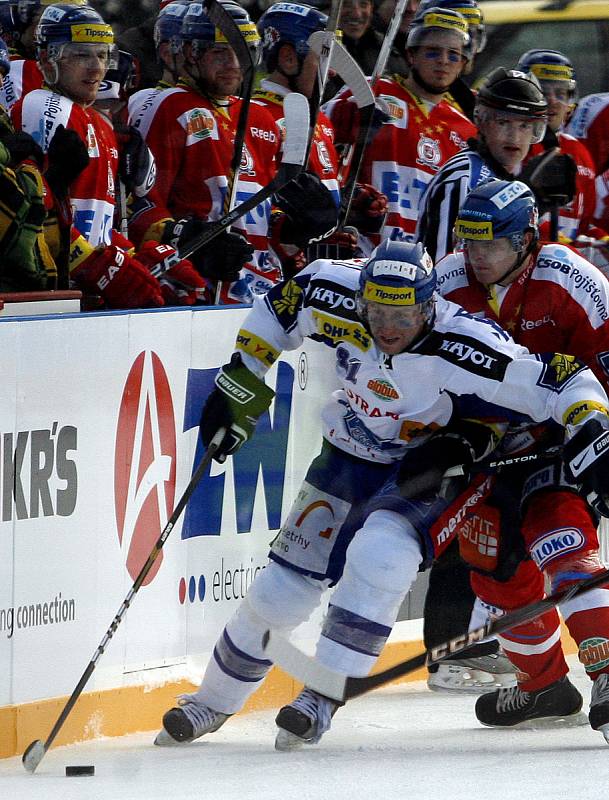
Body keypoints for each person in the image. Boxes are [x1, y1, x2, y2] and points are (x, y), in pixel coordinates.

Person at [153, 238, 609, 750]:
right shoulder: (330, 288)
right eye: (376, 311)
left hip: (433, 466)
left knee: (381, 558)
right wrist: (241, 376)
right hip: (349, 452)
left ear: (429, 304)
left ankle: (320, 698)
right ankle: (211, 702)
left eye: (405, 314)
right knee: (279, 591)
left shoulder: (464, 341)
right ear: (361, 297)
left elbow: (567, 380)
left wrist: (596, 434)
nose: (388, 327)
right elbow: (279, 307)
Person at [433, 178, 609, 731]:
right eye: (469, 241)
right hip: (486, 452)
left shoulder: (571, 279)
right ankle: (544, 686)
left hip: (562, 440)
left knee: (561, 538)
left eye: (491, 244)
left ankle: (606, 670)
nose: (476, 256)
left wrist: (597, 441)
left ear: (527, 238)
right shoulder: (447, 281)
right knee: (493, 568)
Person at [11, 2, 205, 308]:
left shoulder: (101, 125)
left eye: (102, 55)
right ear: (48, 58)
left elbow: (98, 226)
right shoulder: (43, 105)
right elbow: (37, 210)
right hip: (54, 296)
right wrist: (97, 266)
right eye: (81, 55)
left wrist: (137, 260)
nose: (96, 67)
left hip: (87, 293)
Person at [128, 1, 321, 304]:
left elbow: (262, 210)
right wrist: (191, 239)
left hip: (260, 291)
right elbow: (138, 207)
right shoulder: (170, 107)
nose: (233, 63)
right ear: (192, 52)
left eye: (242, 52)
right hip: (197, 290)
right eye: (220, 52)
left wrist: (294, 224)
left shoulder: (260, 118)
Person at [324, 5, 476, 248]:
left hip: (421, 263)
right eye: (432, 52)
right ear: (411, 55)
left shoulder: (467, 130)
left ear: (462, 64)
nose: (443, 62)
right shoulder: (370, 90)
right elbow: (321, 132)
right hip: (359, 249)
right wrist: (348, 117)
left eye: (453, 55)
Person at [255, 1, 385, 272]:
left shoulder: (321, 121)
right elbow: (251, 209)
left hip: (317, 277)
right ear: (289, 58)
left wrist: (353, 202)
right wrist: (291, 232)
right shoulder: (259, 117)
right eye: (325, 59)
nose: (334, 72)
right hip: (270, 277)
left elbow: (313, 202)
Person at [416, 66, 549, 262]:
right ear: (482, 121)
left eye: (524, 126)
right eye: (503, 122)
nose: (514, 137)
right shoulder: (462, 178)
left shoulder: (505, 181)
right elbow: (440, 268)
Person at [517, 49, 608, 244]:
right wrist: (552, 238)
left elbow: (584, 226)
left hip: (562, 266)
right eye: (542, 91)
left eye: (560, 93)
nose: (552, 101)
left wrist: (603, 238)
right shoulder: (512, 145)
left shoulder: (579, 152)